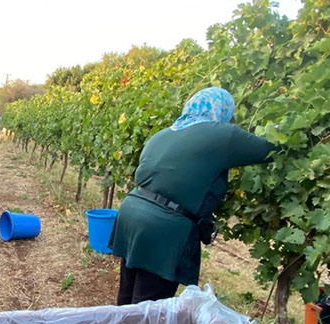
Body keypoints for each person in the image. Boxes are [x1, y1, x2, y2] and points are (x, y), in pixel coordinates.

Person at [109, 87, 274, 305]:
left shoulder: (163, 134)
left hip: (131, 214)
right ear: (222, 110)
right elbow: (270, 149)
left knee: (127, 298)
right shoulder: (222, 134)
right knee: (147, 310)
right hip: (162, 230)